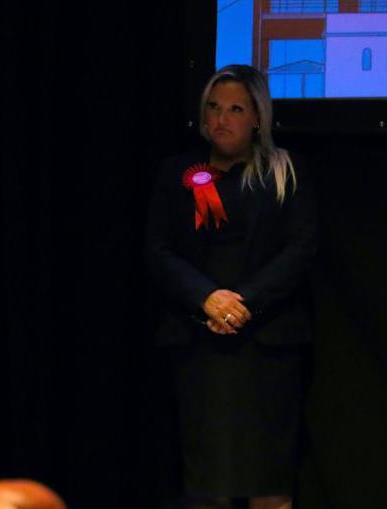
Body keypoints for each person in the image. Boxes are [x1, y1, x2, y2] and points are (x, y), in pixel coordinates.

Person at [144, 64, 317, 509]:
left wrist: (243, 305)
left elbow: (300, 248)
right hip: (199, 343)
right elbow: (159, 250)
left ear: (258, 116)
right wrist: (207, 300)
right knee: (208, 483)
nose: (222, 118)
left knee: (269, 481)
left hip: (266, 344)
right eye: (214, 108)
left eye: (236, 108)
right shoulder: (176, 173)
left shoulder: (286, 170)